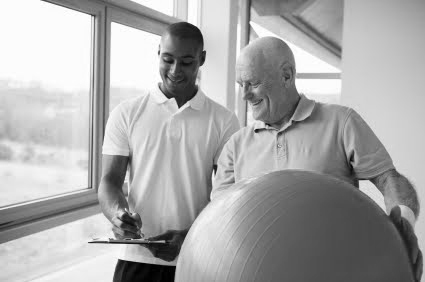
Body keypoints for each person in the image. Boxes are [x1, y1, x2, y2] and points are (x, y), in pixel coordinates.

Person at [212, 36, 422, 281]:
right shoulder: (235, 147)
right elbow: (219, 221)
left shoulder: (341, 122)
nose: (245, 95)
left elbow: (388, 179)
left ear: (287, 75)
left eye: (253, 83)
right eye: (241, 85)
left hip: (333, 270)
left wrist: (404, 226)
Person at [98, 22, 240, 282]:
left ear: (202, 59)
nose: (175, 71)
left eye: (186, 62)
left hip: (198, 257)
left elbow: (230, 196)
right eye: (168, 59)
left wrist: (188, 236)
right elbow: (109, 181)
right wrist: (118, 214)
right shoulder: (126, 113)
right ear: (158, 53)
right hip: (136, 259)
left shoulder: (225, 121)